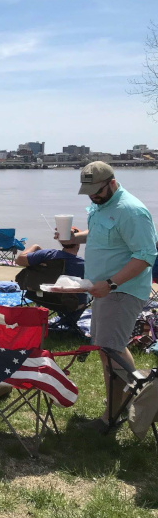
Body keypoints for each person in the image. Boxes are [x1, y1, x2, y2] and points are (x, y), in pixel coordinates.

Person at [65, 162, 157, 432]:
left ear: (112, 183)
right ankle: (129, 399)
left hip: (121, 290)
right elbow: (103, 233)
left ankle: (112, 417)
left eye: (97, 190)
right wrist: (74, 239)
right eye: (89, 191)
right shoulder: (102, 205)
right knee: (109, 348)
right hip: (103, 289)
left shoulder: (131, 210)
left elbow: (145, 256)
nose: (92, 196)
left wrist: (111, 284)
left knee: (110, 349)